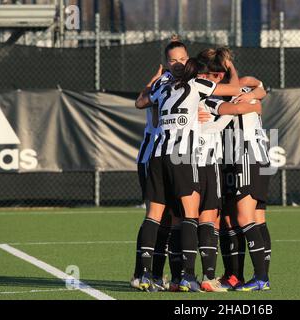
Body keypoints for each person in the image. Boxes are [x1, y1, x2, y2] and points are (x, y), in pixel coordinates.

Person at [140, 57, 242, 292]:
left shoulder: (163, 87)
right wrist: (231, 69)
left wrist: (153, 81)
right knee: (189, 215)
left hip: (157, 154)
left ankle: (150, 275)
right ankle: (188, 276)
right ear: (198, 75)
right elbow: (236, 90)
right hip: (184, 156)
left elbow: (141, 103)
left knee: (158, 216)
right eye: (208, 74)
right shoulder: (197, 85)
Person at [201, 62, 272, 291]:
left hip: (246, 156)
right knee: (240, 218)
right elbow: (258, 88)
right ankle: (236, 276)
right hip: (241, 158)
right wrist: (255, 95)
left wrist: (200, 124)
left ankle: (260, 277)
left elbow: (248, 100)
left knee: (244, 217)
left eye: (212, 74)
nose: (207, 78)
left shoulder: (220, 96)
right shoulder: (239, 91)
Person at [131, 37, 189, 292]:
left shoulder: (185, 81)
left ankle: (157, 275)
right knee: (157, 215)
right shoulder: (165, 83)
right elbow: (141, 102)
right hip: (153, 155)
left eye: (183, 59)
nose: (178, 64)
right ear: (166, 63)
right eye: (174, 60)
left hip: (174, 156)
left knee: (169, 218)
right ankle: (142, 274)